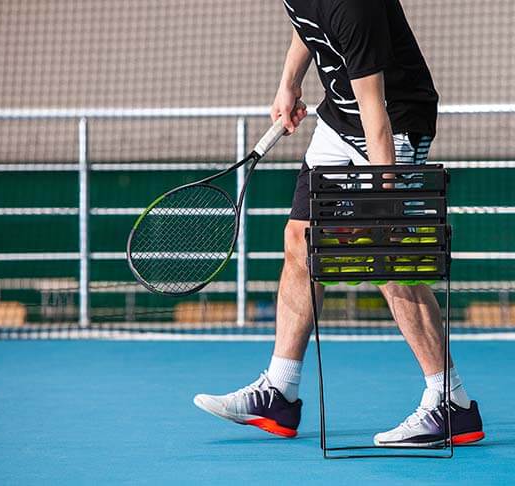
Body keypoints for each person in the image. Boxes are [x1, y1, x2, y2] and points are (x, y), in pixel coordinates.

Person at [194, 0, 484, 447]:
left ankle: (452, 402)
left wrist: (385, 206)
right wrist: (288, 84)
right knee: (300, 239)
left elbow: (377, 115)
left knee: (388, 259)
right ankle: (280, 391)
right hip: (339, 116)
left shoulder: (354, 6)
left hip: (395, 118)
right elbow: (307, 26)